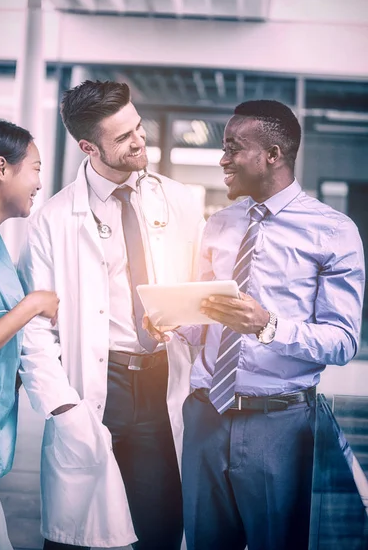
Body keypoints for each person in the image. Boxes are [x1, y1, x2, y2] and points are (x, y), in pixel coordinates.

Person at [148, 99, 365, 550]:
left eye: (233, 147)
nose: (223, 158)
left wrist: (268, 325)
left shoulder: (333, 231)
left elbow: (343, 341)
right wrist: (170, 321)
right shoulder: (221, 224)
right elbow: (206, 319)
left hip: (280, 427)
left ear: (274, 154)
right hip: (206, 414)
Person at [17, 80, 205, 549]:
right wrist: (63, 407)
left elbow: (203, 295)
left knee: (160, 525)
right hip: (96, 390)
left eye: (138, 127)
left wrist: (190, 318)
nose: (140, 141)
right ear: (88, 146)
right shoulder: (53, 222)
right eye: (123, 138)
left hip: (163, 382)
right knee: (79, 534)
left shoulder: (180, 203)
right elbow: (35, 331)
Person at [0, 119, 59, 550]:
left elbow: (1, 339)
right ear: (2, 168)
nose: (40, 182)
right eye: (36, 169)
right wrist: (33, 304)